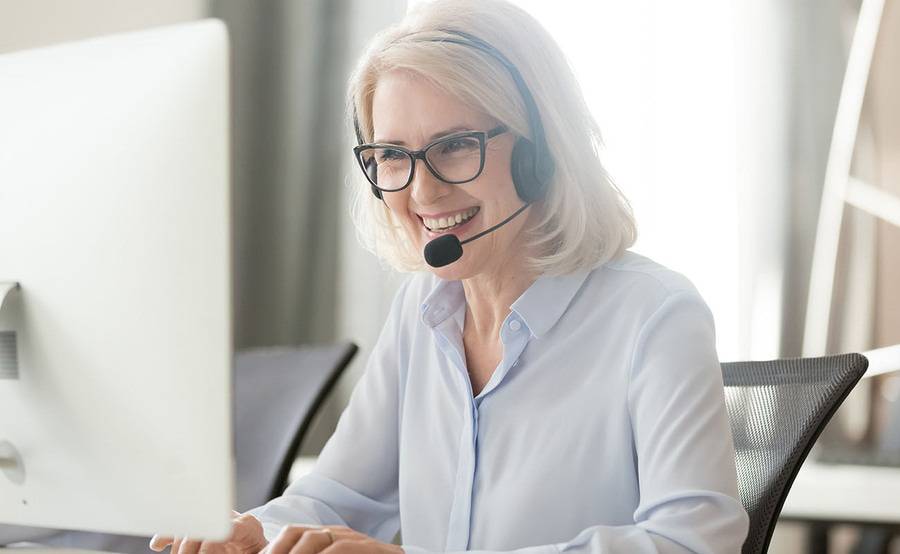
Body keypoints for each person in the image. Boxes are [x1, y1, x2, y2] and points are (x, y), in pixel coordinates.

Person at [151, 0, 750, 552]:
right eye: (392, 155)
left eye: (456, 145)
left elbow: (693, 543)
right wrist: (255, 532)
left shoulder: (654, 314)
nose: (423, 190)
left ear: (541, 155)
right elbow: (338, 497)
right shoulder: (424, 309)